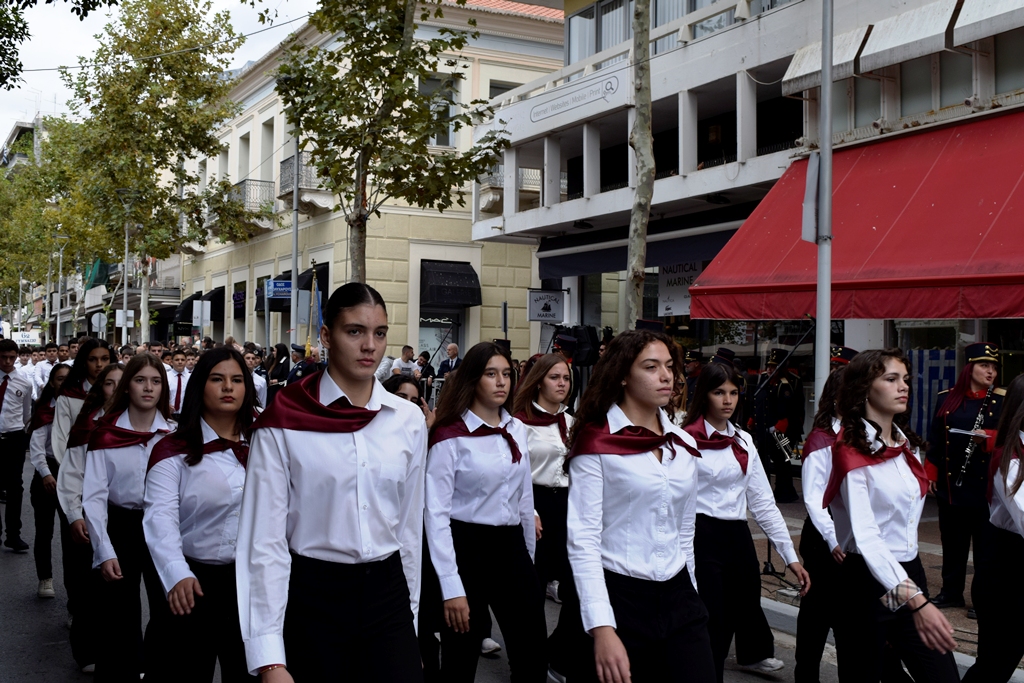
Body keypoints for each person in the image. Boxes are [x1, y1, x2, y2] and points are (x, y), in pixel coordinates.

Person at [236, 283, 427, 682]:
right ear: (326, 336)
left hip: (387, 596)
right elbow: (264, 542)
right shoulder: (285, 418)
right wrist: (270, 658)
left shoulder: (408, 421)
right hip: (313, 597)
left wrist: (409, 618)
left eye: (379, 333)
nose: (369, 345)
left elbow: (408, 529)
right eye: (354, 331)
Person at [566, 330, 715, 683]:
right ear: (622, 374)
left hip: (679, 597)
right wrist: (601, 627)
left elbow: (685, 530)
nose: (666, 376)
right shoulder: (596, 442)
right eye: (651, 367)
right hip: (620, 597)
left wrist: (692, 594)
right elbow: (583, 540)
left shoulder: (683, 444)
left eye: (669, 366)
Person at [828, 349, 959, 682]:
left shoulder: (906, 447)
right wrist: (919, 602)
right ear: (864, 387)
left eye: (905, 379)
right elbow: (867, 536)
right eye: (891, 379)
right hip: (864, 582)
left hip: (906, 574)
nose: (904, 387)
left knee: (942, 676)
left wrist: (914, 595)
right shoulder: (850, 449)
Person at [425, 341, 547, 683]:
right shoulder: (450, 436)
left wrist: (528, 558)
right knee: (460, 659)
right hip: (466, 547)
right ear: (472, 380)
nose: (501, 382)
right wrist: (451, 586)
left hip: (510, 548)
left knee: (531, 651)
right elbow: (435, 515)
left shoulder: (517, 429)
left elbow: (524, 498)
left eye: (507, 374)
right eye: (490, 374)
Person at [682, 361, 809, 682]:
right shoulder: (685, 439)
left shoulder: (744, 440)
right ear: (704, 395)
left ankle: (748, 655)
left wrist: (790, 557)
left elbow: (764, 503)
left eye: (734, 393)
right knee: (713, 619)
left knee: (746, 604)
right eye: (718, 392)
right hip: (699, 534)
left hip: (737, 535)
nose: (727, 400)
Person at [143, 348, 257, 682]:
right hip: (193, 583)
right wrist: (177, 573)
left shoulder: (265, 443)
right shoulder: (172, 450)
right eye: (217, 379)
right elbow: (160, 517)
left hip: (251, 582)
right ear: (199, 387)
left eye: (237, 380)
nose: (228, 388)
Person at [82, 354, 174, 680]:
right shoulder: (105, 434)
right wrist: (103, 550)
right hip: (120, 527)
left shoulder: (174, 436)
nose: (148, 387)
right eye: (140, 380)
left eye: (156, 381)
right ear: (127, 386)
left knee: (168, 612)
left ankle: (152, 668)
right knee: (119, 615)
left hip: (163, 527)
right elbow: (92, 498)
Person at [513, 353, 585, 681]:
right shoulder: (519, 423)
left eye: (566, 379)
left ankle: (558, 653)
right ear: (539, 379)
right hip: (533, 503)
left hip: (569, 505)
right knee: (532, 592)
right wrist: (530, 510)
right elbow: (511, 473)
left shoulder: (573, 422)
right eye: (555, 377)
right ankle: (531, 662)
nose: (561, 384)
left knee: (580, 587)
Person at [926, 342, 1004, 616]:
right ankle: (951, 592)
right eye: (985, 365)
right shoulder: (947, 398)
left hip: (985, 486)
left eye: (994, 367)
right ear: (970, 368)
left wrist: (990, 439)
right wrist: (931, 473)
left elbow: (1012, 438)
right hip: (951, 485)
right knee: (953, 542)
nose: (991, 371)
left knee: (985, 547)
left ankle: (981, 598)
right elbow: (936, 438)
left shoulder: (1001, 400)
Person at [56, 362, 124, 674]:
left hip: (123, 518)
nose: (116, 389)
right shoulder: (88, 424)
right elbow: (72, 472)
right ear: (101, 389)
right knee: (88, 585)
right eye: (109, 383)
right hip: (89, 513)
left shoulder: (141, 423)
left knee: (120, 589)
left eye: (122, 383)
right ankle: (87, 650)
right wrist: (74, 514)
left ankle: (126, 652)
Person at [793, 363, 847, 683]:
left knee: (849, 626)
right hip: (824, 540)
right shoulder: (821, 439)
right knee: (814, 622)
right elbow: (814, 499)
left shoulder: (865, 436)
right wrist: (832, 539)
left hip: (853, 539)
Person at [28, 362, 72, 597]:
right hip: (47, 470)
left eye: (68, 378)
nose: (63, 383)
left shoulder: (80, 409)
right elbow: (36, 448)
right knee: (44, 531)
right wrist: (46, 474)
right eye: (59, 378)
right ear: (52, 382)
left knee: (72, 537)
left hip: (71, 473)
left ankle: (73, 597)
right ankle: (45, 578)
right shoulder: (44, 409)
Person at [751, 348, 801, 503]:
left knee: (783, 461)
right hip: (765, 428)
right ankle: (764, 492)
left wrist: (780, 426)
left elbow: (794, 409)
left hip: (783, 431)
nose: (770, 369)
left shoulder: (790, 382)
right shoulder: (765, 380)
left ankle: (785, 492)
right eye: (769, 365)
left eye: (774, 366)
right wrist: (754, 418)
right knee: (763, 460)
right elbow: (760, 402)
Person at [0, 338, 35, 552]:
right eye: (3, 357)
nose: (8, 361)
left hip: (13, 438)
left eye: (12, 357)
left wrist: (19, 433)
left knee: (15, 487)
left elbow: (26, 415)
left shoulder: (24, 383)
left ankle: (13, 535)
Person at [552, 334, 582, 415]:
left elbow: (568, 396)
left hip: (563, 413)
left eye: (555, 351)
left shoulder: (570, 370)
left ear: (560, 352)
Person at [168, 348, 189, 418]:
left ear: (186, 362)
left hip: (186, 414)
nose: (180, 362)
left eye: (182, 360)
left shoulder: (191, 378)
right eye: (177, 360)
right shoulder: (165, 377)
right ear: (171, 362)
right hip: (168, 414)